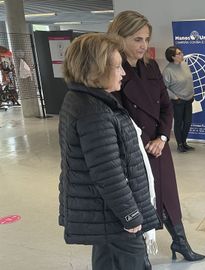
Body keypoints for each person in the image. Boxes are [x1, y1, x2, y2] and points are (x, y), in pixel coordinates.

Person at [107, 10, 205, 261]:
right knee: (141, 201)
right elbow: (117, 115)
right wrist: (144, 142)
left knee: (169, 196)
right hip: (134, 149)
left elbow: (165, 106)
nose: (144, 45)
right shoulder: (111, 71)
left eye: (146, 39)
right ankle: (142, 254)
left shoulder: (150, 67)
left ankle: (180, 243)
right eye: (137, 39)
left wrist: (162, 138)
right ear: (120, 37)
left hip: (158, 146)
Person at [58, 33, 161, 269]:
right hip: (114, 217)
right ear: (95, 70)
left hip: (105, 214)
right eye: (117, 67)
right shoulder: (94, 112)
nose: (123, 73)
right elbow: (107, 173)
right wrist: (130, 215)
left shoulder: (82, 100)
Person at [163, 46, 195, 153]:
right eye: (179, 53)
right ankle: (180, 144)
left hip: (189, 99)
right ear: (172, 57)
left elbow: (189, 80)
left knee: (188, 122)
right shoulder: (168, 71)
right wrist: (175, 97)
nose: (182, 54)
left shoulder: (185, 65)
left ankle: (184, 142)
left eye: (181, 52)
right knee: (179, 122)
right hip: (178, 101)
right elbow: (164, 88)